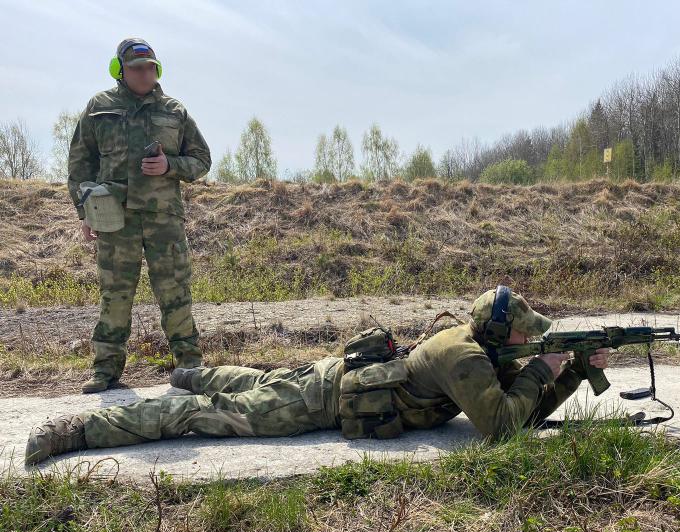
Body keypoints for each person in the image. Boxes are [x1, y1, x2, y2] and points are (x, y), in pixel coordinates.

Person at [24, 287, 610, 465]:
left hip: (333, 378)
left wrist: (569, 375)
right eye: (524, 336)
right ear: (498, 333)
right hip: (324, 400)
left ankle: (194, 374)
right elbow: (504, 427)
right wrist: (548, 368)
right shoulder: (464, 356)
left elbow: (521, 410)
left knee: (253, 381)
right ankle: (81, 428)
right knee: (216, 418)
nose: (530, 343)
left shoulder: (483, 350)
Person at [67, 38, 211, 393]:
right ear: (121, 70)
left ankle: (190, 367)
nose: (145, 73)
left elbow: (201, 160)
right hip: (115, 219)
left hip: (164, 219)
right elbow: (80, 162)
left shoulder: (174, 110)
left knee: (175, 294)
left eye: (150, 67)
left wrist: (168, 165)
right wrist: (84, 210)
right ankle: (105, 371)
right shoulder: (99, 107)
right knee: (115, 296)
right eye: (136, 68)